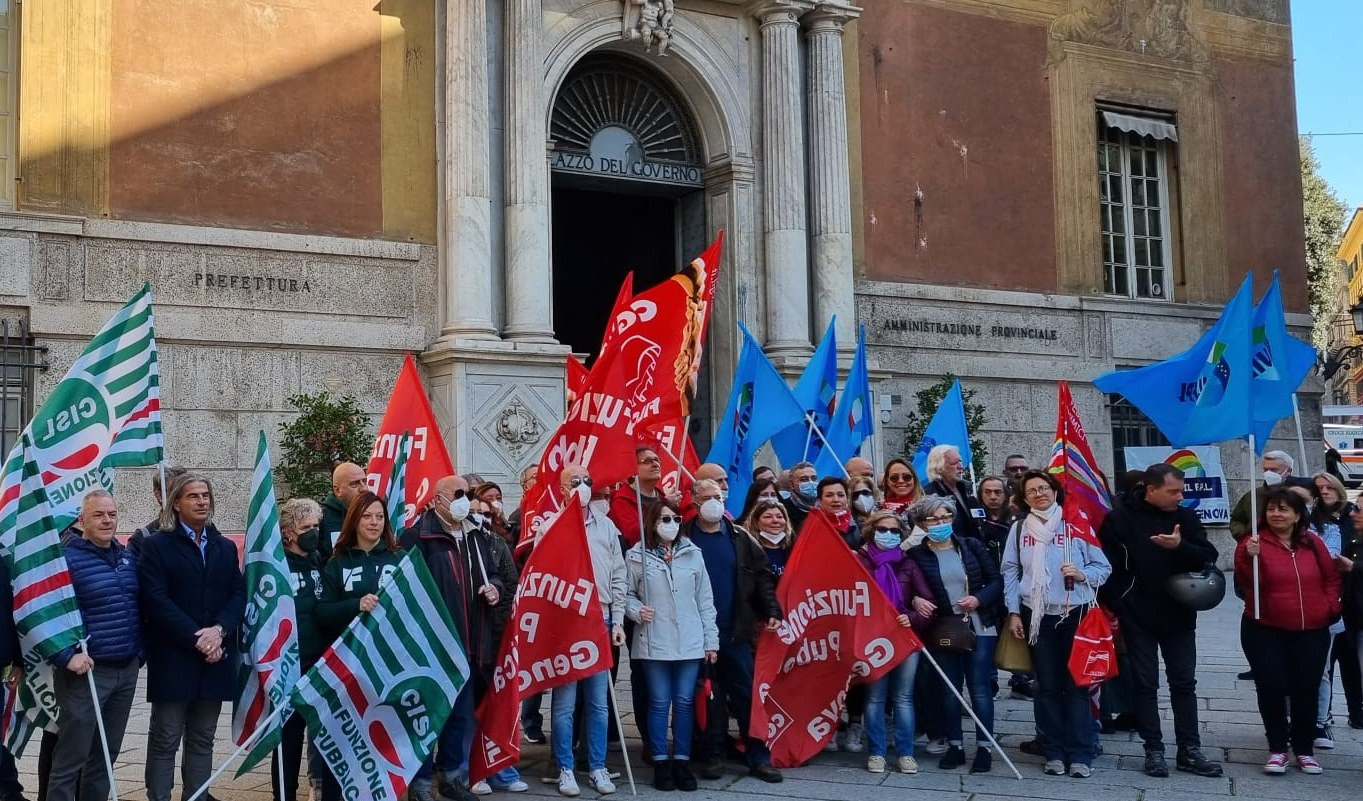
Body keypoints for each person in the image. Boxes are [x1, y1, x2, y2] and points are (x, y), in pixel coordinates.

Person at [1097, 463, 1222, 778]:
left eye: (1181, 490)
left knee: (1184, 683)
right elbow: (1106, 566)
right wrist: (1120, 603)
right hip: (1137, 612)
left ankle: (1189, 750)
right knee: (1145, 684)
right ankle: (1153, 749)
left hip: (1179, 612)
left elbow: (1207, 556)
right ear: (1150, 489)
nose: (1180, 496)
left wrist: (1180, 546)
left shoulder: (1186, 517)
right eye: (1173, 491)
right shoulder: (1119, 518)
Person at [139, 473, 246, 801]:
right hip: (174, 656)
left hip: (215, 657)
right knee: (165, 737)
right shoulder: (157, 545)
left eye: (205, 496)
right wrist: (195, 637)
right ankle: (159, 796)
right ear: (176, 503)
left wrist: (218, 631)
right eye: (193, 496)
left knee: (203, 737)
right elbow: (155, 598)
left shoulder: (224, 547)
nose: (202, 502)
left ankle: (197, 795)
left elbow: (237, 595)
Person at [399, 477, 503, 801]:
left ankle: (451, 776)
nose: (464, 499)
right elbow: (407, 588)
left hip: (470, 643)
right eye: (458, 494)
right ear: (438, 499)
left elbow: (494, 570)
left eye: (468, 494)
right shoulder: (419, 536)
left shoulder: (475, 534)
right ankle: (420, 782)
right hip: (433, 646)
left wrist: (495, 587)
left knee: (459, 714)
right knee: (429, 716)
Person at [1002, 470, 1110, 779]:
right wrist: (1012, 612)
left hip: (1074, 613)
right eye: (1031, 490)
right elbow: (1010, 570)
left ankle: (1080, 751)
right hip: (1036, 616)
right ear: (1024, 498)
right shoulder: (1020, 528)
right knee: (1046, 687)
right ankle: (1052, 750)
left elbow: (1104, 567)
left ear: (1054, 490)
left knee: (1077, 686)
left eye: (1044, 487)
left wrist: (1082, 574)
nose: (1039, 493)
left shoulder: (1076, 523)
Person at [1235, 488, 1341, 775]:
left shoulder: (1312, 542)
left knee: (1306, 687)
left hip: (1311, 629)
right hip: (1265, 626)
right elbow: (1245, 582)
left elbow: (1330, 577)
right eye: (1271, 509)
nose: (1276, 514)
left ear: (1297, 515)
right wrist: (1248, 557)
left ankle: (1304, 749)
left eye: (1283, 509)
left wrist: (1330, 606)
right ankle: (1278, 748)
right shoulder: (1253, 541)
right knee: (1271, 686)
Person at [686, 479, 784, 783]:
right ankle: (713, 754)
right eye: (707, 496)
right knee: (708, 699)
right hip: (697, 636)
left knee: (746, 697)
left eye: (718, 495)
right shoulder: (682, 536)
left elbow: (761, 577)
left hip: (734, 632)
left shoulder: (740, 537)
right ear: (694, 501)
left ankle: (758, 755)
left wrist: (771, 610)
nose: (715, 501)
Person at [48, 491, 141, 801]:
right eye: (98, 515)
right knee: (70, 759)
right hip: (87, 673)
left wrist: (139, 654)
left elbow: (137, 605)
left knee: (106, 756)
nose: (106, 520)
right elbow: (47, 613)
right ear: (82, 521)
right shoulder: (66, 560)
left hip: (125, 671)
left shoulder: (127, 556)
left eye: (112, 514)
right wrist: (65, 656)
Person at [626, 499, 718, 791]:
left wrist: (710, 640)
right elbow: (625, 593)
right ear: (653, 522)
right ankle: (660, 761)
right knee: (658, 701)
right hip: (654, 639)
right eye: (665, 519)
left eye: (676, 519)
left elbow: (705, 600)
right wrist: (636, 610)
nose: (672, 524)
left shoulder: (693, 553)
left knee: (684, 702)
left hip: (690, 640)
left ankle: (681, 760)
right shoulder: (636, 556)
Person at [908, 495, 1003, 774]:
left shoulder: (970, 545)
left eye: (945, 517)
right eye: (933, 519)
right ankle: (956, 745)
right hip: (943, 627)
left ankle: (985, 747)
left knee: (979, 687)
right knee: (949, 689)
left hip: (979, 624)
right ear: (922, 523)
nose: (941, 523)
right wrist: (914, 599)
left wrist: (979, 598)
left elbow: (996, 579)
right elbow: (906, 586)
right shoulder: (916, 554)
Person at [552, 464, 627, 797]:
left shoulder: (607, 527)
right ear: (562, 488)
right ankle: (565, 768)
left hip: (602, 619)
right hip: (568, 623)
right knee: (565, 701)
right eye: (574, 481)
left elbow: (619, 576)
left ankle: (597, 766)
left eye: (586, 481)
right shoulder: (551, 527)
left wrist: (619, 620)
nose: (582, 486)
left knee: (599, 701)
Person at [855, 511, 932, 775]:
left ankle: (905, 753)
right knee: (875, 698)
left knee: (903, 697)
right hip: (872, 638)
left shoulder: (907, 563)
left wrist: (910, 617)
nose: (889, 535)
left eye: (895, 531)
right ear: (871, 531)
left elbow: (927, 602)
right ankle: (876, 752)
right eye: (883, 529)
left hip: (904, 638)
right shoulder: (858, 562)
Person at [273, 498, 338, 801]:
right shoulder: (277, 565)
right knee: (288, 737)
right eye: (306, 527)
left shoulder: (318, 561)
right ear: (288, 532)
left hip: (319, 662)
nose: (314, 532)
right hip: (288, 664)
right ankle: (284, 795)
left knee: (324, 734)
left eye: (316, 526)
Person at [1310, 471, 1357, 747]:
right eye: (1319, 488)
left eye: (1329, 487)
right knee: (1316, 666)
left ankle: (1323, 721)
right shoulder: (1309, 522)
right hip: (1313, 599)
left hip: (1343, 600)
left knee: (1333, 665)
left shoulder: (1351, 519)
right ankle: (1313, 718)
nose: (1324, 492)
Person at [1230, 450, 1306, 540]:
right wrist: (1243, 536)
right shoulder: (1253, 496)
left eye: (1274, 470)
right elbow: (1236, 520)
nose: (1268, 473)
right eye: (1265, 469)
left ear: (1288, 471)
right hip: (1258, 548)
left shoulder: (1299, 495)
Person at [128, 464, 187, 560]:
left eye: (187, 492)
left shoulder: (203, 533)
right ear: (159, 496)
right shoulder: (142, 539)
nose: (182, 498)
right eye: (175, 492)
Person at [923, 445, 981, 541]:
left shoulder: (966, 489)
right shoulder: (930, 495)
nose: (960, 467)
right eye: (954, 463)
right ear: (939, 468)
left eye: (960, 462)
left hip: (973, 548)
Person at [319, 462, 367, 560]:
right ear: (337, 490)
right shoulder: (321, 518)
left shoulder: (374, 514)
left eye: (365, 481)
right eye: (355, 484)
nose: (364, 488)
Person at [743, 500, 793, 582]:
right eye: (768, 517)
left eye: (779, 517)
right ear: (756, 523)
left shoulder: (793, 548)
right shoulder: (747, 551)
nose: (775, 521)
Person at [816, 477, 857, 548]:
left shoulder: (856, 523)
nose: (836, 500)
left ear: (847, 498)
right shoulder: (812, 526)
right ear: (820, 500)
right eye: (829, 495)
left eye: (841, 495)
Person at [781, 461, 818, 532]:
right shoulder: (784, 509)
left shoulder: (825, 506)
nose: (811, 482)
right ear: (792, 485)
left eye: (814, 479)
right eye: (804, 480)